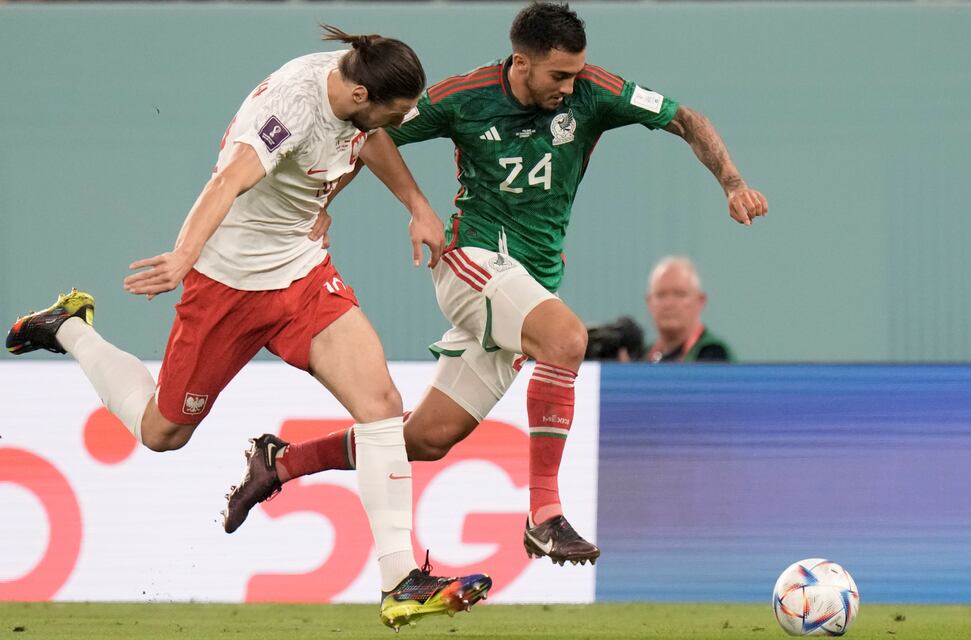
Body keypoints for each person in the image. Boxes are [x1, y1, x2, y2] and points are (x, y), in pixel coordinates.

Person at [223, 2, 768, 567]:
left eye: (577, 73)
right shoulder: (464, 97)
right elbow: (369, 135)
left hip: (529, 283)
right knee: (566, 338)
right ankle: (544, 515)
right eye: (559, 75)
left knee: (429, 438)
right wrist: (330, 202)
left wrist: (732, 182)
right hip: (472, 261)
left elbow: (686, 118)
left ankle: (280, 461)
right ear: (522, 62)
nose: (570, 86)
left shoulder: (594, 93)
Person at [5, 26, 490, 630]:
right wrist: (183, 255)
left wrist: (417, 205)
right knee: (162, 432)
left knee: (382, 405)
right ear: (361, 93)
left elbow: (371, 140)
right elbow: (228, 179)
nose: (400, 121)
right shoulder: (289, 106)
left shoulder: (359, 96)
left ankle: (400, 581)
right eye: (394, 111)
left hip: (302, 276)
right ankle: (69, 328)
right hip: (226, 286)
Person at [645, 256, 733, 363]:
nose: (669, 304)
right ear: (649, 302)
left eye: (680, 294)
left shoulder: (714, 354)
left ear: (700, 301)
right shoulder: (642, 357)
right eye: (660, 295)